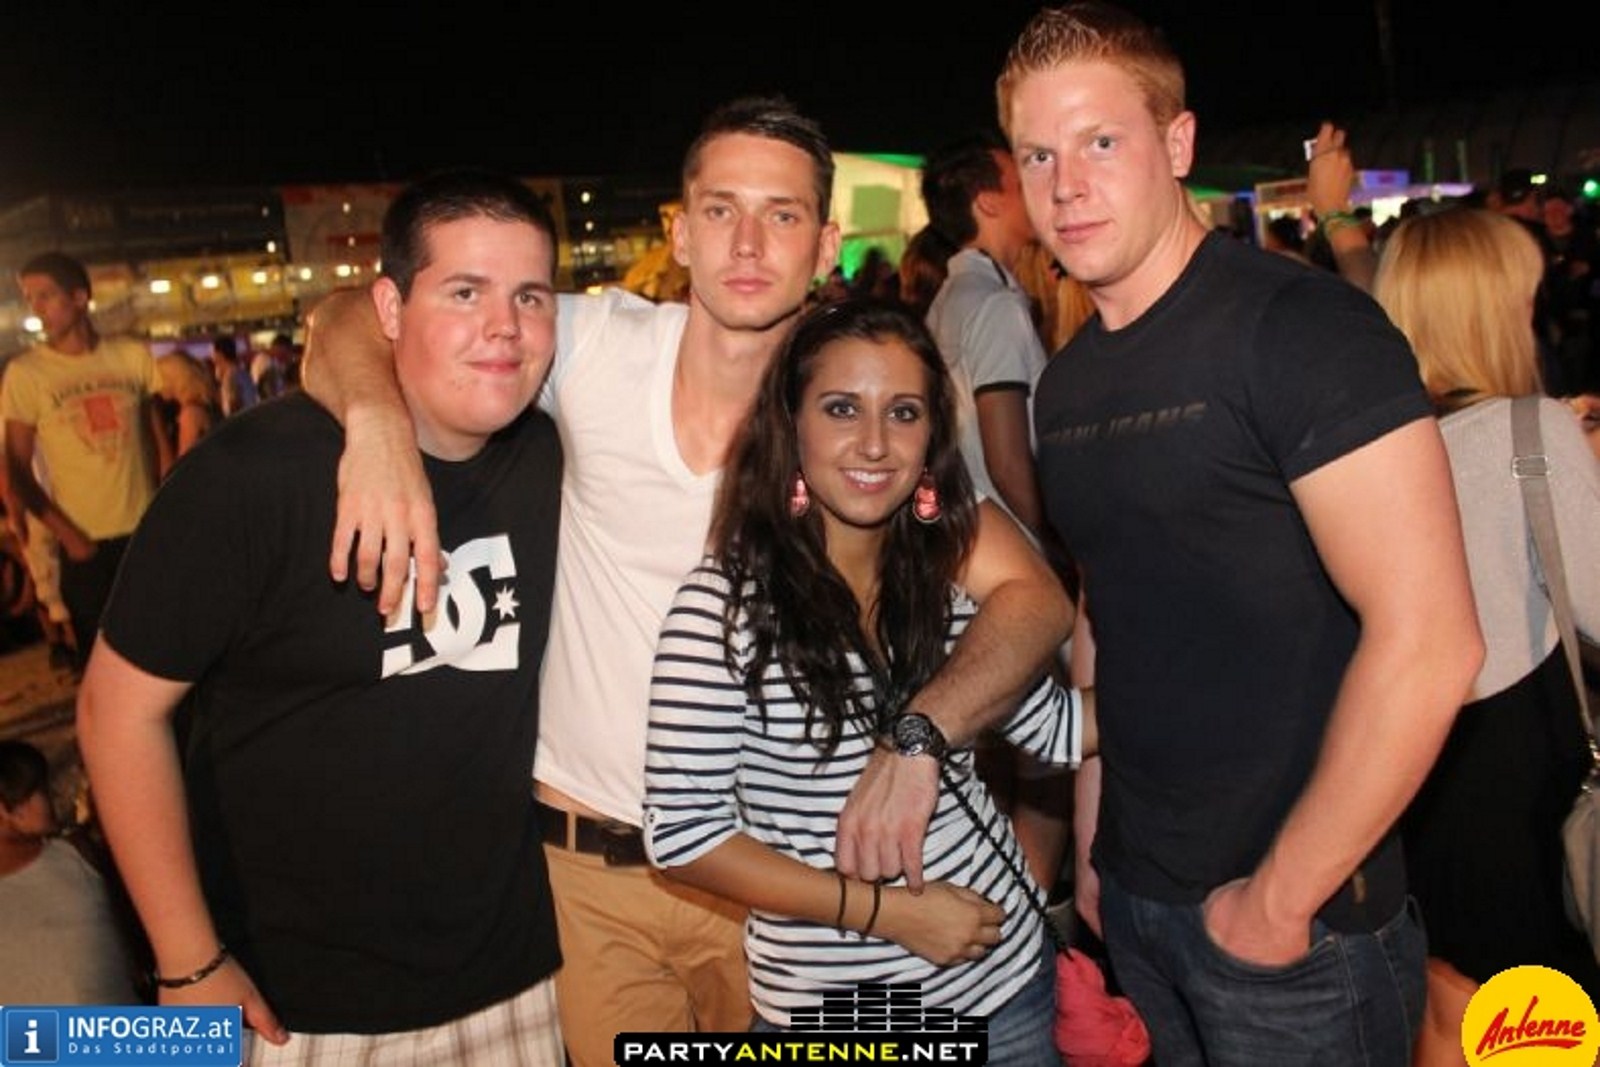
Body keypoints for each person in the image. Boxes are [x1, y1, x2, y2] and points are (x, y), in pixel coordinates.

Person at [301, 96, 1072, 1067]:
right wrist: (375, 426)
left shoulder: (850, 414)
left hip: (785, 885)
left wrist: (918, 735)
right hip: (598, 873)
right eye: (720, 210)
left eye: (781, 214)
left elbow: (1033, 597)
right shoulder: (593, 348)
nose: (747, 242)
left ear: (824, 243)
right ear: (680, 231)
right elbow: (350, 315)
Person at [841, 5, 1486, 1064]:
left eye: (1100, 141)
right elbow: (1108, 613)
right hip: (1141, 898)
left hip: (1298, 930)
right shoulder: (1069, 383)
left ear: (1177, 144)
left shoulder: (1302, 329)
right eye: (1038, 155)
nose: (1066, 184)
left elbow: (1433, 640)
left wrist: (1278, 901)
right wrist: (1098, 839)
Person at [75, 168, 566, 1065]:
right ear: (391, 308)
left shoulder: (551, 453)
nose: (505, 325)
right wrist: (188, 961)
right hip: (292, 1001)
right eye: (465, 292)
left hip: (513, 976)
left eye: (530, 296)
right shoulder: (252, 477)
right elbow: (117, 712)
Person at [644, 299, 1089, 1064]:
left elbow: (1053, 728)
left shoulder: (948, 586)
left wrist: (1216, 680)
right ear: (791, 424)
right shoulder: (724, 607)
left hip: (1009, 992)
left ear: (932, 438)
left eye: (904, 412)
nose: (875, 443)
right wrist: (890, 914)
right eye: (842, 408)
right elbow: (684, 836)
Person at [1373, 207, 1600, 994]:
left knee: (1456, 992)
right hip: (1521, 760)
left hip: (1411, 764)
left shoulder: (1370, 441)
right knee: (1542, 998)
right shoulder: (1533, 429)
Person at [1, 251, 174, 671]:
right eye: (30, 298)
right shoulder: (27, 374)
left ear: (80, 298)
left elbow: (159, 442)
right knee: (106, 669)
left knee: (166, 658)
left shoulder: (130, 356)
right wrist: (70, 537)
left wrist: (168, 514)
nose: (37, 308)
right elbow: (17, 468)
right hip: (86, 546)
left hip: (144, 536)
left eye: (46, 296)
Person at [922, 130, 1050, 540]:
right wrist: (1057, 547)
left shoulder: (949, 298)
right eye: (1021, 182)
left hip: (967, 534)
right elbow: (1007, 462)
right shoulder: (996, 305)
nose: (1042, 189)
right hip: (1013, 542)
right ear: (988, 202)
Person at [0, 739, 144, 1005]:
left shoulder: (78, 853)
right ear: (12, 810)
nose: (52, 796)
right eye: (40, 790)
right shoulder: (77, 854)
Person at [211, 334, 259, 417]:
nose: (211, 356)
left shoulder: (231, 377)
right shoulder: (242, 373)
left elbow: (234, 407)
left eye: (212, 352)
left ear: (219, 354)